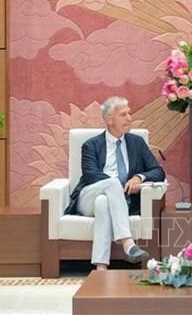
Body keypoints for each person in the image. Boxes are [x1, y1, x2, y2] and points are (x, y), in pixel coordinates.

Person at [64, 96, 166, 270]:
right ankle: (128, 243)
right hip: (87, 198)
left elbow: (158, 171)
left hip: (112, 201)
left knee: (103, 203)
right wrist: (117, 186)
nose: (129, 118)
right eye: (123, 114)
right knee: (111, 183)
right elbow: (90, 175)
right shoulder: (91, 145)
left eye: (129, 113)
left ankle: (101, 266)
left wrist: (138, 177)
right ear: (109, 120)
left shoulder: (137, 143)